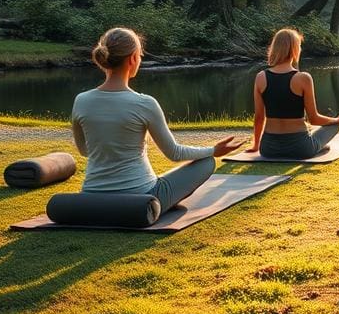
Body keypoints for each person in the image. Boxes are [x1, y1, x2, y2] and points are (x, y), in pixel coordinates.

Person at [72, 27, 243, 212]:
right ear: (132, 59)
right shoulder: (145, 103)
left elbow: (84, 150)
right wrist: (214, 150)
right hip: (142, 196)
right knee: (207, 161)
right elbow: (174, 153)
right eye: (140, 56)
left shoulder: (82, 101)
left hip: (91, 193)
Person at [247, 28, 339, 159]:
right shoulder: (303, 78)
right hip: (300, 149)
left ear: (274, 48)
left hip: (268, 149)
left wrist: (256, 146)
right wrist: (338, 119)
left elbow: (259, 117)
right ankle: (316, 145)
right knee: (334, 126)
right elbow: (314, 119)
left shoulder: (260, 77)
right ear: (295, 49)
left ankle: (316, 144)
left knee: (315, 134)